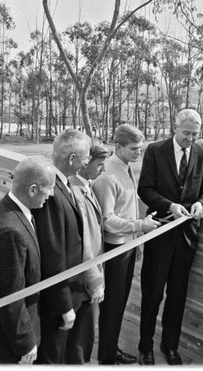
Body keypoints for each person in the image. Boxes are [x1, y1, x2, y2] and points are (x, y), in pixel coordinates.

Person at [137, 109, 203, 365]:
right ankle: (145, 347)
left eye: (195, 134)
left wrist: (201, 204)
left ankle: (170, 346)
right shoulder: (155, 151)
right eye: (186, 133)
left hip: (186, 238)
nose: (191, 139)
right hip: (159, 234)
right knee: (152, 293)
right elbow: (144, 189)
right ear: (175, 127)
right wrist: (170, 206)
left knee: (177, 296)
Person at [93, 124, 160, 365]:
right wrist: (139, 227)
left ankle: (111, 349)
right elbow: (107, 220)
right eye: (134, 149)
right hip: (114, 250)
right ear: (117, 146)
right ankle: (107, 357)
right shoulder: (107, 175)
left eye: (141, 149)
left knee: (119, 303)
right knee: (112, 305)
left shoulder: (126, 168)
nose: (138, 153)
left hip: (127, 246)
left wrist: (137, 241)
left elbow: (128, 205)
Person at [0, 156, 56, 364]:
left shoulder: (11, 209)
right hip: (10, 344)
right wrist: (25, 342)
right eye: (49, 189)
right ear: (33, 190)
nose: (52, 194)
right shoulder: (10, 231)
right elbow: (9, 296)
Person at [32, 128, 91, 364]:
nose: (86, 163)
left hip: (68, 295)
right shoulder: (51, 191)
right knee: (52, 358)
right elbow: (53, 253)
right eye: (85, 158)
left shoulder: (64, 184)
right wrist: (64, 305)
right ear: (72, 159)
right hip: (55, 304)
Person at [65, 139, 111, 363]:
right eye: (100, 163)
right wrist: (95, 282)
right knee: (81, 343)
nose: (103, 169)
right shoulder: (77, 192)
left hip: (82, 282)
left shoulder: (85, 187)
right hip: (83, 283)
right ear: (85, 163)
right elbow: (85, 242)